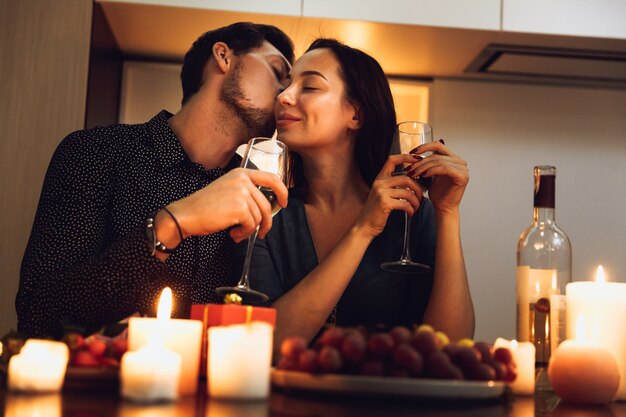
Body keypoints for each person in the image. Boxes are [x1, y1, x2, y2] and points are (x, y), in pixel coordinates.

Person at [17, 22, 295, 338]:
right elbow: (38, 312)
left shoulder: (259, 197)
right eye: (276, 71)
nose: (286, 95)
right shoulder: (96, 152)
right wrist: (172, 224)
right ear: (223, 56)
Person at [240, 39, 474, 349]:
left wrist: (447, 213)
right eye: (286, 86)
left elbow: (452, 345)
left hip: (389, 397)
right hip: (288, 397)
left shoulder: (411, 214)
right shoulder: (269, 212)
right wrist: (363, 229)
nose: (283, 96)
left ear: (356, 115)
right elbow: (265, 342)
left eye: (309, 87)